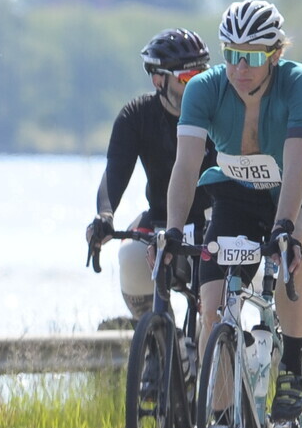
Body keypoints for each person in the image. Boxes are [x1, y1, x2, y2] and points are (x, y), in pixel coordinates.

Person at [163, 0, 302, 424]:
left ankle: (292, 369)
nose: (240, 67)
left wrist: (284, 228)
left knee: (292, 248)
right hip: (237, 193)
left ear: (276, 54)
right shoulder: (204, 89)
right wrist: (172, 231)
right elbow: (186, 166)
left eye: (252, 57)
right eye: (231, 55)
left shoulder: (301, 83)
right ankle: (221, 426)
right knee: (212, 308)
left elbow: (297, 166)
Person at [85, 29, 214, 318]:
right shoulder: (136, 115)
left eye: (202, 75)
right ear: (159, 80)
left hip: (214, 220)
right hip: (161, 219)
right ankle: (159, 336)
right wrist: (104, 215)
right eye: (187, 78)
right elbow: (115, 170)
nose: (198, 86)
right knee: (131, 256)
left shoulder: (219, 111)